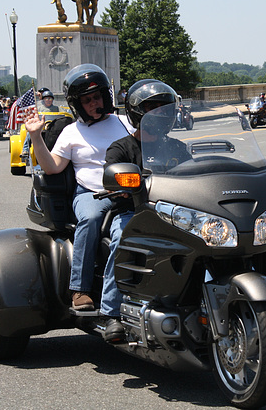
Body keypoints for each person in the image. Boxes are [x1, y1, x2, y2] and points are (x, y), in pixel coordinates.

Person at [24, 64, 133, 320]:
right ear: (78, 104)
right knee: (91, 219)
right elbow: (51, 167)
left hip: (129, 191)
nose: (94, 103)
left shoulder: (126, 123)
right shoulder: (71, 132)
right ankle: (80, 289)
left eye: (97, 97)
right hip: (91, 194)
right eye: (87, 100)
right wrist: (36, 137)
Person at [100, 79, 190, 342]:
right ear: (137, 112)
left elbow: (195, 176)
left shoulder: (177, 147)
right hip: (133, 213)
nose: (159, 114)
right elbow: (111, 179)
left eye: (164, 109)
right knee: (121, 240)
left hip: (173, 214)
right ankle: (111, 313)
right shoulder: (121, 148)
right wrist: (121, 186)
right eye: (153, 108)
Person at [21, 90, 59, 157]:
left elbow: (64, 114)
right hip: (41, 127)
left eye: (50, 98)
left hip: (53, 127)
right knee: (31, 132)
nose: (48, 100)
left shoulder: (56, 108)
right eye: (46, 98)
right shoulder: (39, 108)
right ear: (43, 100)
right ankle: (25, 150)